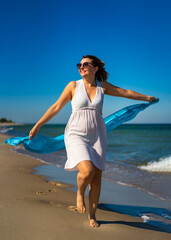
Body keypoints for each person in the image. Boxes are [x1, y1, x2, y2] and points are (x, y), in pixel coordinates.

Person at [29, 55, 158, 227]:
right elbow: (56, 107)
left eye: (85, 64)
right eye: (79, 65)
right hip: (75, 134)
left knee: (97, 177)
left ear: (95, 68)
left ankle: (92, 215)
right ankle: (80, 193)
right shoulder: (74, 85)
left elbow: (124, 92)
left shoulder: (102, 87)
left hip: (98, 136)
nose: (81, 67)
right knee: (87, 171)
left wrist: (147, 98)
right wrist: (38, 125)